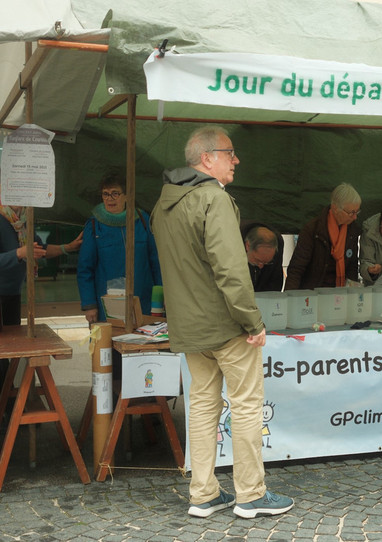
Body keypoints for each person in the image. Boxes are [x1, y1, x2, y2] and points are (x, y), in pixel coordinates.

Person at [151, 126, 294, 519]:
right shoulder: (213, 198)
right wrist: (253, 322)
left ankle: (203, 493)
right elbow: (231, 270)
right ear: (207, 158)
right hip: (226, 325)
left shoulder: (164, 203)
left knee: (202, 406)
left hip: (189, 327)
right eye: (230, 153)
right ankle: (251, 494)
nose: (236, 160)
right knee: (247, 406)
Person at [0, 182, 83, 431]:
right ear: (1, 187)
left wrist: (66, 248)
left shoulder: (22, 218)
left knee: (9, 354)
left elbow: (36, 249)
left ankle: (10, 411)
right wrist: (20, 252)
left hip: (10, 291)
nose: (18, 195)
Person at [76, 172, 163, 324]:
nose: (109, 198)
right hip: (107, 304)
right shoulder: (94, 225)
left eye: (115, 193)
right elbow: (85, 269)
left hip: (143, 301)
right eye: (105, 194)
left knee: (143, 344)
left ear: (127, 196)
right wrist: (89, 305)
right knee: (109, 345)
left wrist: (161, 298)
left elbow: (156, 262)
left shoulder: (142, 220)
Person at [284, 183, 361, 290]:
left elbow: (352, 265)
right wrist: (291, 298)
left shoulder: (352, 230)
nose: (355, 217)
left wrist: (352, 293)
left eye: (357, 212)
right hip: (313, 292)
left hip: (340, 293)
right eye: (351, 213)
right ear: (335, 208)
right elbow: (297, 268)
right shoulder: (312, 230)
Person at [241, 222, 284, 292]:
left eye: (267, 262)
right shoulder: (232, 241)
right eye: (258, 260)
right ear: (247, 246)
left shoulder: (278, 242)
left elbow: (275, 282)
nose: (261, 266)